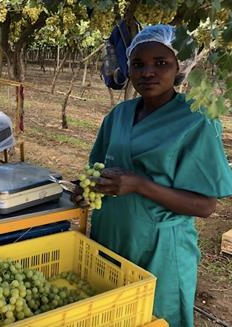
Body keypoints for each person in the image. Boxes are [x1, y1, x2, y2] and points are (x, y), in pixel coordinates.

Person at [78, 25, 232, 327]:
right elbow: (97, 169)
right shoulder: (119, 115)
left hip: (160, 250)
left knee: (157, 317)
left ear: (179, 68)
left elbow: (205, 206)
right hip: (112, 237)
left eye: (161, 63)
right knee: (111, 315)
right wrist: (87, 189)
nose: (147, 72)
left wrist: (139, 184)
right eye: (138, 64)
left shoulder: (196, 120)